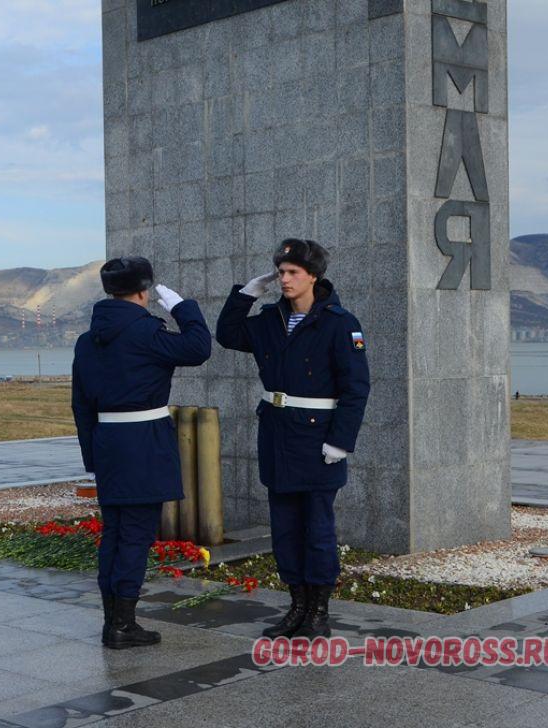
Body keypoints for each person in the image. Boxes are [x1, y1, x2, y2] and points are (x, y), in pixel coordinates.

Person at [216, 239, 370, 639]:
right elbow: (228, 334)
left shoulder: (339, 322)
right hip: (278, 435)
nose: (284, 279)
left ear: (313, 276)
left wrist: (340, 441)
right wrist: (247, 293)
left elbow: (356, 387)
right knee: (284, 527)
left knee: (317, 529)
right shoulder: (269, 320)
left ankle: (318, 612)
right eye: (281, 272)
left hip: (318, 439)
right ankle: (296, 606)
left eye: (292, 273)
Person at [72, 257, 212, 649]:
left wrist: (92, 459)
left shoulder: (87, 340)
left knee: (115, 535)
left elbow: (80, 406)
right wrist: (184, 308)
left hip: (108, 446)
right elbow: (199, 347)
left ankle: (111, 621)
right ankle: (123, 625)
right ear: (143, 291)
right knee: (135, 536)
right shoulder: (146, 332)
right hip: (143, 445)